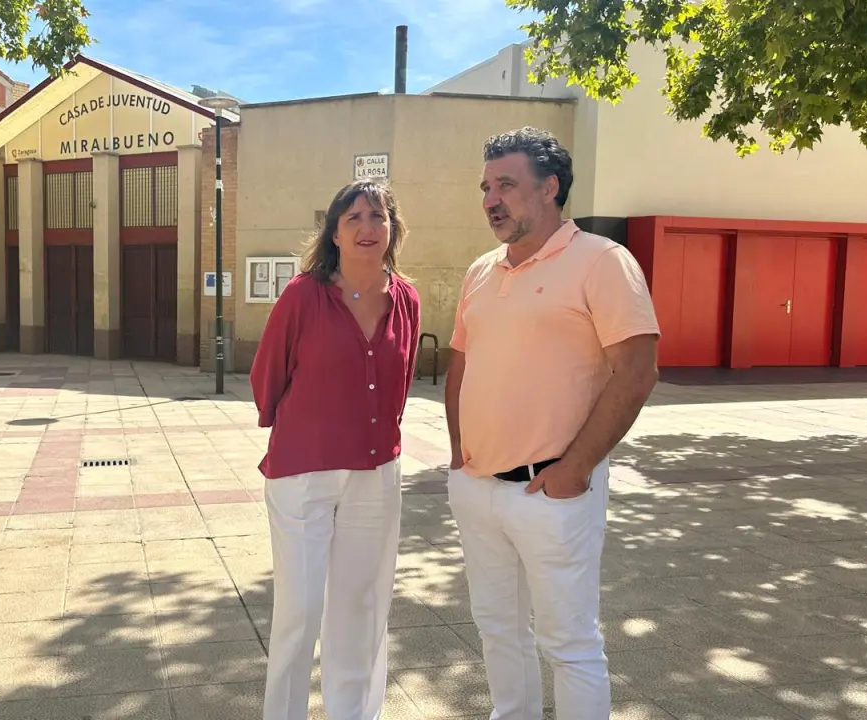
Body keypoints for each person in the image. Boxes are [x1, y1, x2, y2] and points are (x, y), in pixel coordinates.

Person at [443, 127, 660, 720]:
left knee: (569, 644)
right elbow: (459, 364)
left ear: (549, 188)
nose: (491, 199)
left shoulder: (603, 261)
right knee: (497, 629)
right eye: (486, 187)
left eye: (506, 185)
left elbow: (637, 371)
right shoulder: (481, 271)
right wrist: (459, 454)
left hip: (552, 492)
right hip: (478, 488)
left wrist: (576, 468)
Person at [249, 178, 421, 720]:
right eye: (354, 218)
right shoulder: (303, 295)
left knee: (362, 607)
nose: (368, 227)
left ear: (393, 228)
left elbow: (402, 380)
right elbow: (267, 376)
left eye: (378, 216)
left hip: (376, 473)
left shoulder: (407, 300)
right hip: (303, 471)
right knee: (300, 608)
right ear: (335, 234)